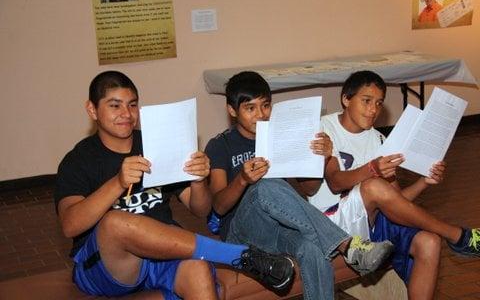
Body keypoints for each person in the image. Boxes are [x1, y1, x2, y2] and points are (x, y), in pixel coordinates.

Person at [54, 71, 296, 299]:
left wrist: (198, 180)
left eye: (132, 104)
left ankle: (238, 257)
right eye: (115, 105)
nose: (126, 114)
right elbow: (70, 225)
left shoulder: (154, 144)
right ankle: (240, 256)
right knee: (115, 221)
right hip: (109, 265)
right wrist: (117, 183)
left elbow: (200, 209)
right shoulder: (78, 160)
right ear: (92, 109)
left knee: (198, 268)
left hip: (161, 256)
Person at [205, 71, 395, 300]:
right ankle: (348, 245)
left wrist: (321, 158)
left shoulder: (281, 136)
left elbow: (310, 190)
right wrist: (243, 180)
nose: (261, 115)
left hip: (278, 229)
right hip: (240, 232)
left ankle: (344, 250)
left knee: (314, 249)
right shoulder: (220, 145)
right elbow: (219, 206)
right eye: (250, 108)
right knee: (265, 186)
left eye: (265, 106)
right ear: (232, 110)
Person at [309, 70, 480, 300]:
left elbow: (397, 201)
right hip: (331, 224)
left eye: (379, 103)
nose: (373, 110)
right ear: (346, 99)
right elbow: (335, 182)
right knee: (373, 185)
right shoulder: (323, 129)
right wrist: (372, 169)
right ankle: (456, 235)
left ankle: (450, 236)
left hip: (370, 222)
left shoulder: (379, 139)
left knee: (429, 242)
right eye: (366, 101)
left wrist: (424, 182)